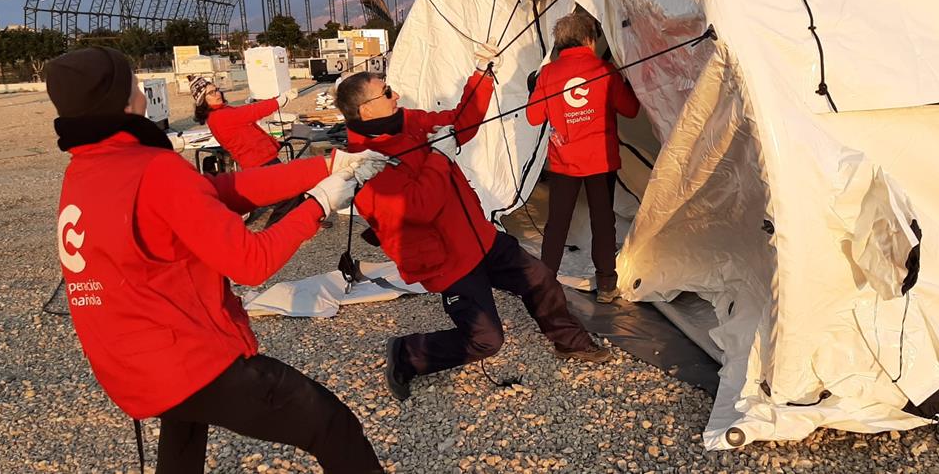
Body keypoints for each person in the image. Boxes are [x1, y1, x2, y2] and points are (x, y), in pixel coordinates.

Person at [49, 47, 387, 473]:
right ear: (118, 102)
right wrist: (318, 204)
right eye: (134, 84)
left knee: (184, 429)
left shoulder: (86, 170)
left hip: (130, 362)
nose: (142, 93)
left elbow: (224, 190)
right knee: (330, 424)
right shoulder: (153, 169)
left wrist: (327, 165)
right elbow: (251, 262)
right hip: (187, 358)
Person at [334, 47, 611, 402]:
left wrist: (481, 74)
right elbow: (416, 208)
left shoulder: (406, 121)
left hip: (478, 237)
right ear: (365, 109)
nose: (396, 94)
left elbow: (459, 124)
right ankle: (408, 354)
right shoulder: (361, 164)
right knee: (485, 341)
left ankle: (571, 342)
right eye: (387, 92)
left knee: (540, 279)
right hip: (447, 262)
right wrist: (438, 156)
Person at [526, 12, 641, 303]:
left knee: (557, 223)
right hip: (601, 161)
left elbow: (533, 117)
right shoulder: (605, 70)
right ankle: (606, 285)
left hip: (564, 162)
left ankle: (545, 285)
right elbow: (630, 110)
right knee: (603, 221)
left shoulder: (549, 74)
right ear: (590, 39)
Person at [191, 75, 300, 225]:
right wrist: (280, 101)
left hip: (263, 158)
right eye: (211, 93)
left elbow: (247, 112)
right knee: (289, 191)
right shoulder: (219, 116)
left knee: (294, 186)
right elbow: (251, 112)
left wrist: (277, 99)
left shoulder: (222, 111)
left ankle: (309, 217)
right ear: (203, 101)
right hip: (259, 161)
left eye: (216, 90)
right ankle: (273, 229)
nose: (217, 93)